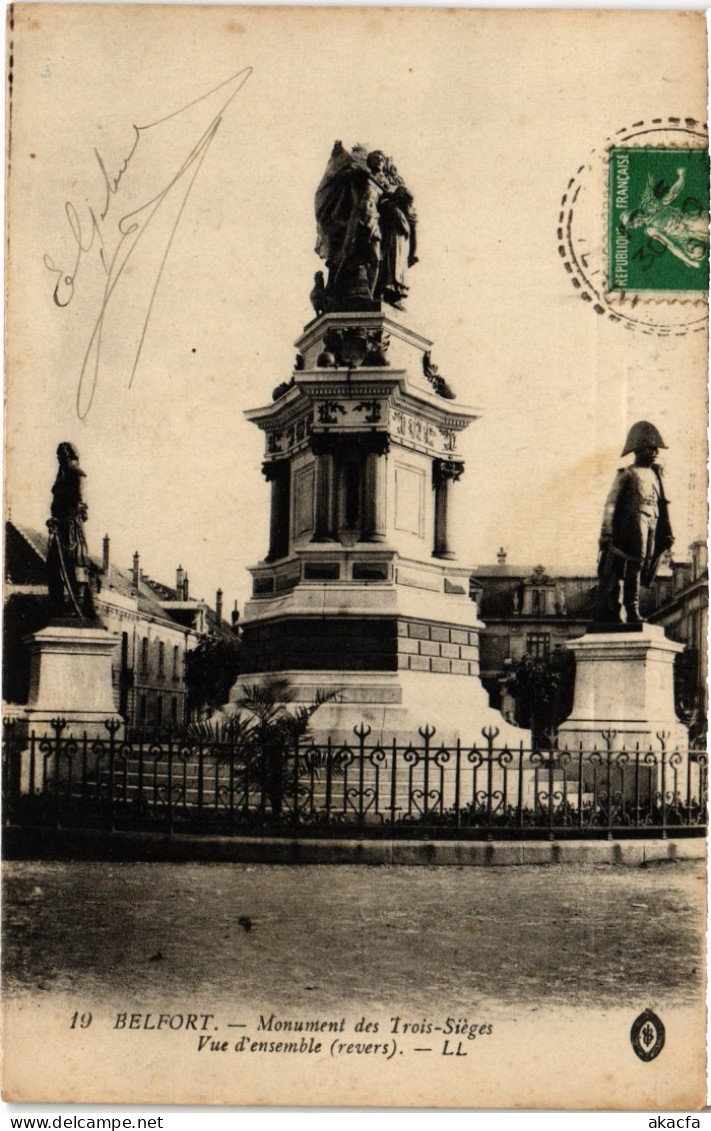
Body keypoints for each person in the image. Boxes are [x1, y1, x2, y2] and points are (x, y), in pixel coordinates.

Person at [595, 422, 674, 624]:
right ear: (638, 450)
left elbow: (662, 504)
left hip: (651, 523)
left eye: (656, 449)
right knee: (633, 566)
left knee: (642, 564)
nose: (656, 452)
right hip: (631, 526)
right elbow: (611, 503)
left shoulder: (656, 475)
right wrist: (606, 532)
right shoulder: (627, 474)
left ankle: (631, 609)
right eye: (651, 448)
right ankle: (630, 610)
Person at [46, 441, 94, 617]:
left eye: (63, 455)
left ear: (71, 456)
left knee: (76, 563)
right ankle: (57, 607)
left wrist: (63, 519)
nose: (60, 459)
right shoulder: (61, 479)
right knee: (53, 565)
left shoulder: (78, 475)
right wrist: (53, 520)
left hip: (71, 527)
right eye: (58, 456)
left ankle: (78, 606)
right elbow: (56, 504)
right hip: (58, 528)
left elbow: (81, 503)